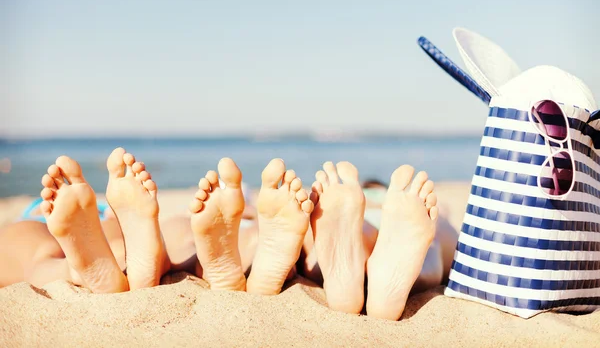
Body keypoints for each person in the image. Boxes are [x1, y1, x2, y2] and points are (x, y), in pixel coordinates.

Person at [0, 148, 440, 321]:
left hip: (93, 225)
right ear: (374, 192)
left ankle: (95, 266)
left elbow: (246, 203)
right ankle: (374, 269)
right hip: (360, 229)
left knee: (31, 246)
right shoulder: (390, 202)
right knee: (298, 243)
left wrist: (243, 200)